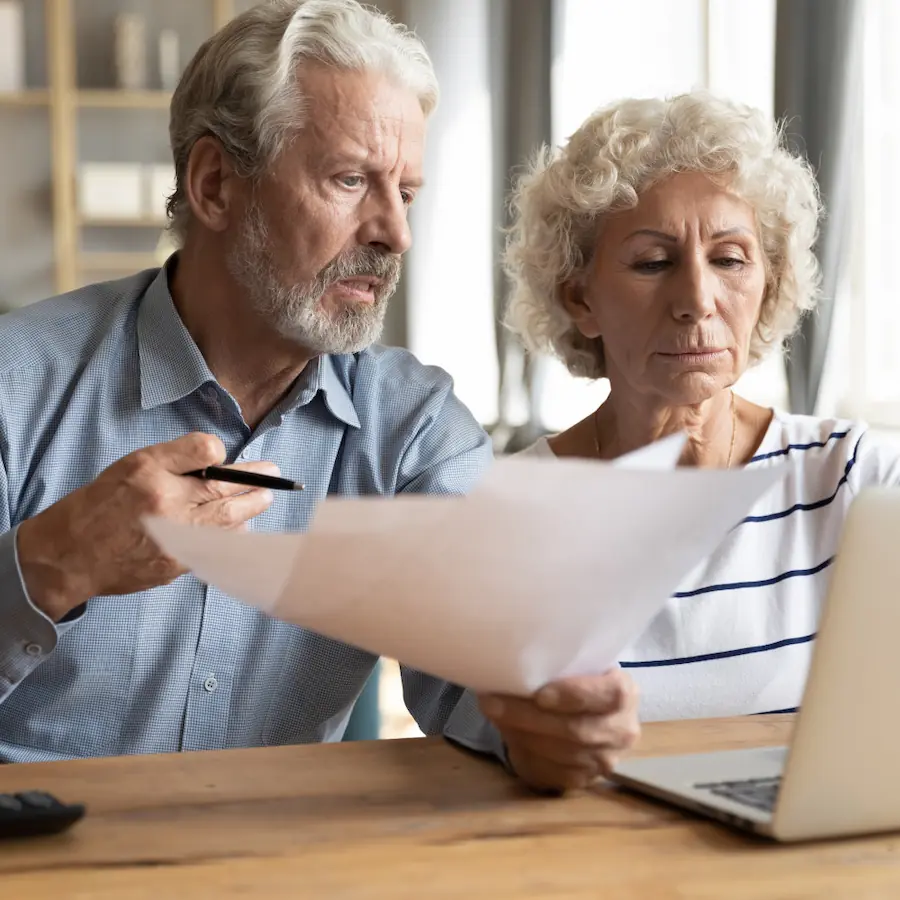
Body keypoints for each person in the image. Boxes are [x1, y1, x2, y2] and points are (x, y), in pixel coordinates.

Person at [0, 0, 637, 792]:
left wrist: (543, 716)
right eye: (349, 180)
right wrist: (48, 568)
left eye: (406, 192)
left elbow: (489, 669)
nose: (394, 233)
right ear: (214, 185)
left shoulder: (410, 429)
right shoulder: (15, 385)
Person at [503, 91, 900, 721]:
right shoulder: (510, 509)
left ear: (767, 282)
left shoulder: (852, 480)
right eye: (654, 262)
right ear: (581, 299)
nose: (697, 299)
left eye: (730, 259)